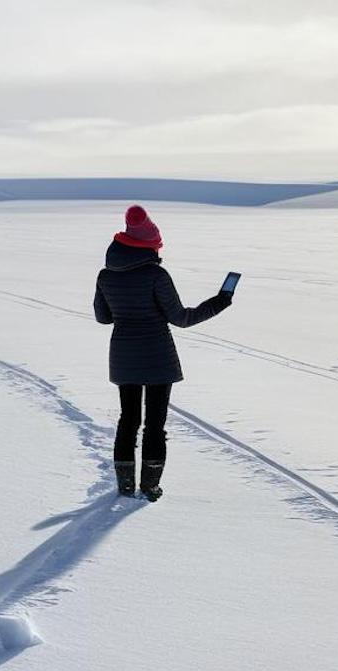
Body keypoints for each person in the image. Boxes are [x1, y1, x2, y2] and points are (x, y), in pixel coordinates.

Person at [93, 205, 233, 501]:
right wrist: (220, 301)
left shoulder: (105, 275)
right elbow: (181, 318)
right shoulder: (156, 275)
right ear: (150, 246)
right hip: (158, 357)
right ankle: (150, 485)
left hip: (123, 356)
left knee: (128, 420)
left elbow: (103, 317)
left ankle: (126, 485)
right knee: (155, 423)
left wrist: (126, 308)